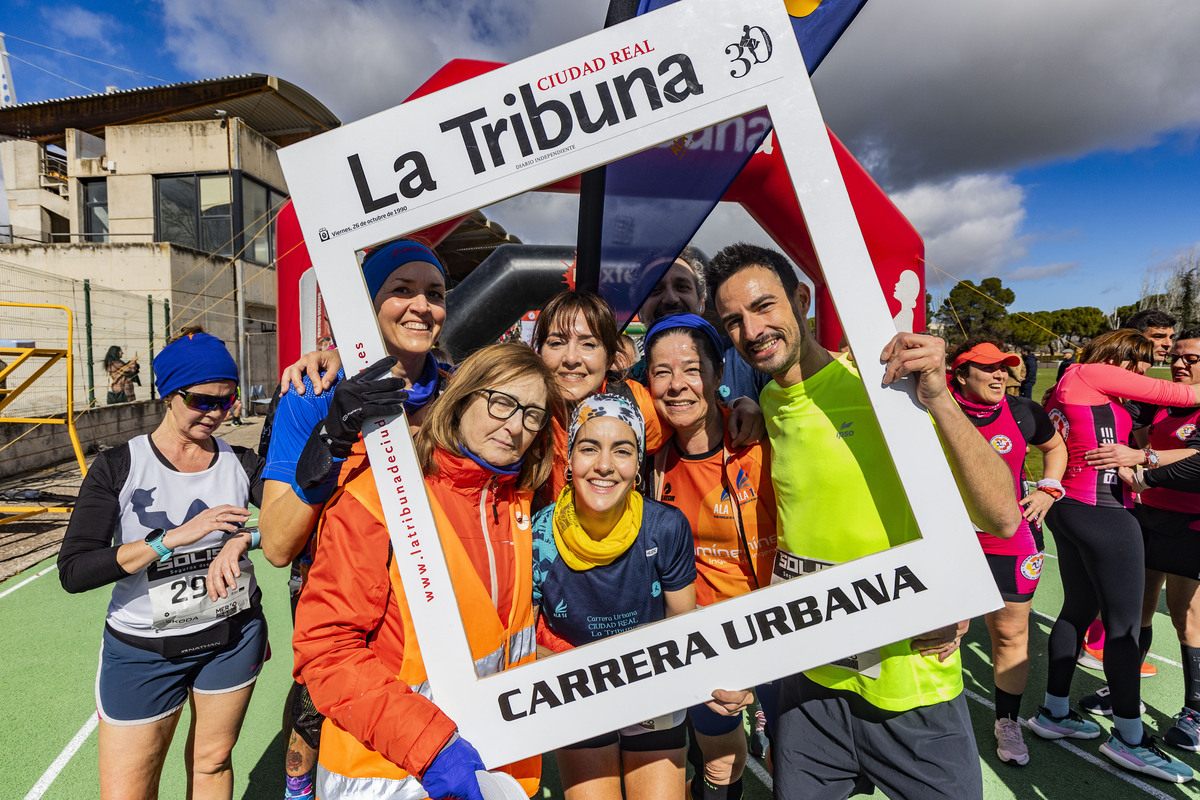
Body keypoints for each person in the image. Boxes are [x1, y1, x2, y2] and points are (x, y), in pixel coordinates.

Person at [705, 242, 1020, 800]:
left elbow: (1000, 516)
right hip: (811, 686)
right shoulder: (769, 406)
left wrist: (941, 400)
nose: (752, 330)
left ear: (801, 299)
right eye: (734, 321)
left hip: (911, 682)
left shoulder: (888, 391)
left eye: (764, 307)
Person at [293, 342, 559, 800]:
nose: (515, 426)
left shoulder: (516, 499)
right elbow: (325, 650)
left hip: (495, 769)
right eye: (501, 402)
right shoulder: (382, 494)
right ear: (462, 397)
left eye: (532, 415)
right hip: (387, 776)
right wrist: (435, 749)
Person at [259, 238, 451, 799]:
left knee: (418, 734)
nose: (421, 305)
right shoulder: (312, 391)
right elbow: (274, 543)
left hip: (428, 607)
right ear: (368, 303)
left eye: (435, 294)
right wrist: (333, 436)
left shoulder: (458, 390)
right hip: (338, 607)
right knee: (315, 731)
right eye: (401, 290)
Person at [58, 330, 268, 800]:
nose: (216, 413)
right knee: (129, 791)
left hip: (232, 637)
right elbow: (74, 570)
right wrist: (171, 539)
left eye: (227, 400)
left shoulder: (244, 462)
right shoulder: (119, 466)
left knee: (212, 763)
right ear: (168, 394)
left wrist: (243, 540)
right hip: (143, 650)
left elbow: (294, 522)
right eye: (201, 400)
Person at [532, 393, 749, 799]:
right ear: (569, 462)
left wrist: (714, 678)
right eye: (589, 447)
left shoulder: (665, 527)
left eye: (622, 450)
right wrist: (587, 672)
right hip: (576, 692)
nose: (604, 465)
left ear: (637, 467)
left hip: (652, 689)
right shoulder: (537, 535)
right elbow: (520, 641)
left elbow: (682, 625)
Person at [1029, 329, 1200, 783]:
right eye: (1140, 363)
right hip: (1102, 513)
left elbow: (1102, 443)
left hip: (1074, 507)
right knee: (1124, 629)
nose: (1144, 373)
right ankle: (1129, 738)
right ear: (1119, 357)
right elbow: (1177, 391)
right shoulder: (1090, 372)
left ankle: (1055, 713)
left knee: (1078, 610)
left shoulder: (1077, 387)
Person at [643, 313, 779, 798]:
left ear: (719, 376)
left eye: (692, 369)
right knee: (720, 765)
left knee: (792, 762)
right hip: (705, 638)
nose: (677, 385)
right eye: (662, 372)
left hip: (783, 626)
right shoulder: (648, 457)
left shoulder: (765, 438)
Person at [947, 339, 1068, 766]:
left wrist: (1050, 489)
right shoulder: (928, 409)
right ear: (960, 374)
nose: (1000, 374)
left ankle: (1007, 721)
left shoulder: (1022, 411)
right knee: (944, 635)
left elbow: (1055, 448)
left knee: (1011, 634)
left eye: (1004, 367)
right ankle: (937, 722)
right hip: (948, 542)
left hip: (1012, 538)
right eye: (988, 368)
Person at [1080, 330, 1200, 750]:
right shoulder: (1168, 404)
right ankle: (1124, 688)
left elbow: (1196, 457)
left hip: (1192, 524)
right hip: (1151, 516)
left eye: (1192, 359)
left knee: (1186, 615)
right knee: (1139, 608)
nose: (1181, 364)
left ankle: (1196, 711)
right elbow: (1144, 435)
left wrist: (1144, 463)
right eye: (1178, 357)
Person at [629, 246, 770, 404]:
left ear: (702, 302)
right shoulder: (627, 383)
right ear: (639, 310)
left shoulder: (748, 358)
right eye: (655, 290)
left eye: (682, 287)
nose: (671, 298)